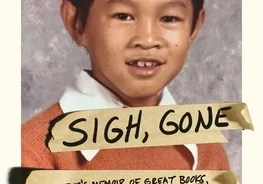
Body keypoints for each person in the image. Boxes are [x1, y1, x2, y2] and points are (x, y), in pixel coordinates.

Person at [22, 0, 229, 170]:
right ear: (76, 22)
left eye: (169, 18)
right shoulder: (32, 153)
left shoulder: (207, 153)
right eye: (123, 16)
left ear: (194, 27)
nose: (147, 39)